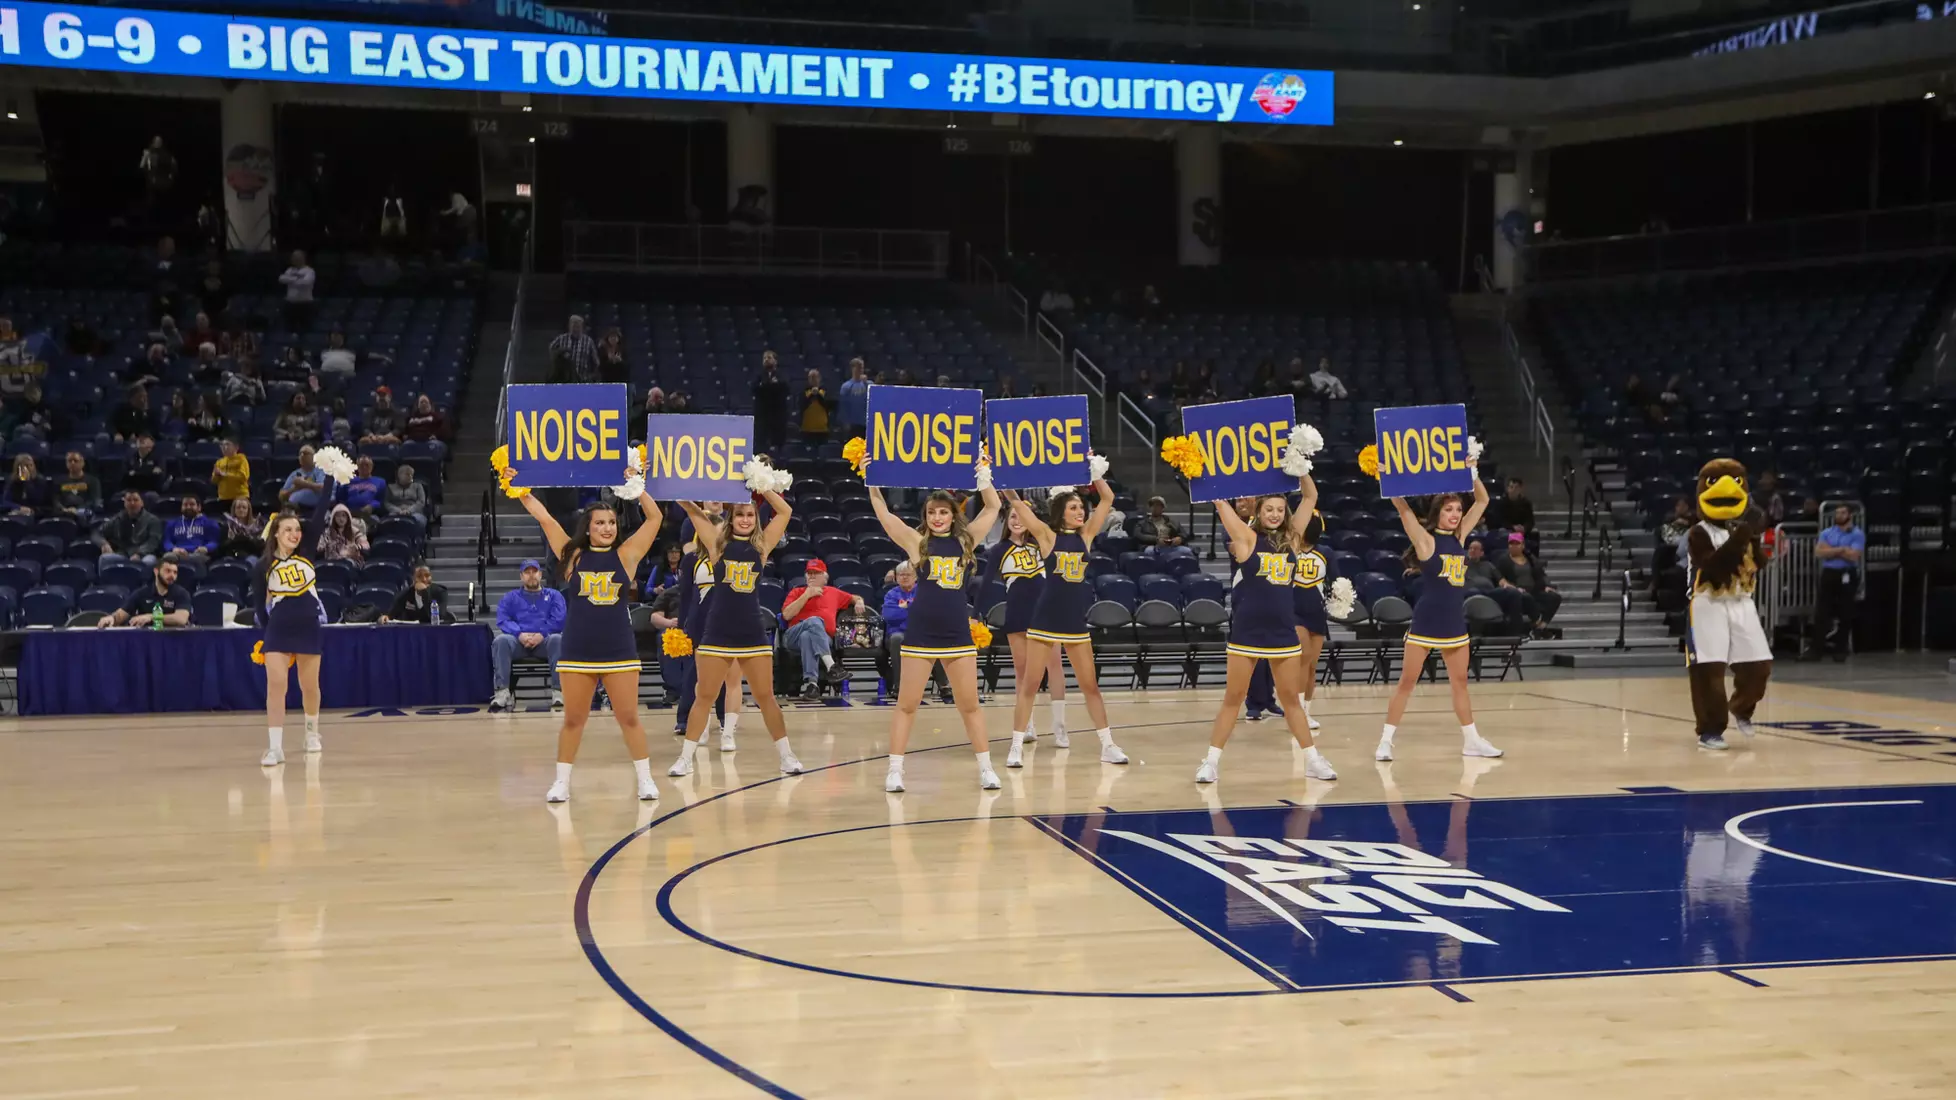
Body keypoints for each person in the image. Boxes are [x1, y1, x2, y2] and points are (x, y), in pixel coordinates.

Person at [516, 485, 666, 803]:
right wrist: (522, 490)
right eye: (599, 523)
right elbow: (545, 519)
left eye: (611, 522)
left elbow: (655, 518)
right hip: (578, 648)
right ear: (588, 526)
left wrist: (637, 489)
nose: (607, 528)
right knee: (573, 719)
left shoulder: (627, 556)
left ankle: (645, 779)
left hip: (618, 649)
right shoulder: (573, 555)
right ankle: (561, 782)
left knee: (628, 717)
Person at [1194, 476, 1336, 784]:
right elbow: (1220, 503)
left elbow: (1310, 496)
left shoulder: (1293, 539)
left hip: (1283, 632)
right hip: (1248, 631)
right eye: (1269, 509)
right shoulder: (1246, 538)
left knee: (1290, 700)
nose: (1275, 514)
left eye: (1280, 510)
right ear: (1258, 511)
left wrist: (1300, 469)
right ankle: (1211, 761)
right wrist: (1207, 477)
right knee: (1233, 697)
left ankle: (1312, 759)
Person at [868, 482, 1004, 792]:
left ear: (953, 515)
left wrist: (983, 477)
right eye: (932, 512)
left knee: (969, 705)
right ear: (925, 516)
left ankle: (986, 768)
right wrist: (872, 480)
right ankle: (895, 770)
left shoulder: (966, 542)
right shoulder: (918, 543)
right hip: (921, 633)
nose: (938, 517)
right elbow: (884, 514)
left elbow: (993, 507)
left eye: (943, 512)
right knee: (907, 705)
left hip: (957, 633)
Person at [667, 488, 805, 781]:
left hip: (752, 630)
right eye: (739, 515)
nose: (744, 519)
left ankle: (786, 755)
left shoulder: (763, 546)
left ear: (756, 518)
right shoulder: (717, 546)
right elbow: (689, 508)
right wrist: (675, 484)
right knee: (703, 696)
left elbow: (785, 512)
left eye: (750, 515)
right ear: (730, 519)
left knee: (766, 696)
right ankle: (685, 758)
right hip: (718, 630)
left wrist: (762, 486)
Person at [1377, 462, 1504, 762]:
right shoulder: (1426, 541)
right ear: (1438, 513)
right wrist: (1388, 476)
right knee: (1407, 682)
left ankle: (1471, 740)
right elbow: (1403, 509)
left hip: (1454, 623)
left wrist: (1472, 471)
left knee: (1460, 682)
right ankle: (1385, 741)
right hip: (1426, 621)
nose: (1456, 515)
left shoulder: (1459, 538)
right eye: (1449, 510)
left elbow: (1483, 500)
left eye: (1458, 510)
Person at [1001, 478, 1129, 773]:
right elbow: (1017, 503)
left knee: (1090, 686)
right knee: (1030, 685)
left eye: (1082, 507)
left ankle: (1108, 744)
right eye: (1074, 508)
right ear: (1061, 511)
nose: (1080, 512)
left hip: (1074, 622)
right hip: (1045, 620)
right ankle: (1016, 745)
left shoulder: (1085, 536)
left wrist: (1095, 472)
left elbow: (1107, 498)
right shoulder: (1047, 536)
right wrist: (1005, 477)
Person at [256, 469, 338, 766]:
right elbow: (258, 605)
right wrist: (267, 634)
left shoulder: (306, 553)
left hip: (307, 625)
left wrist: (330, 475)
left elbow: (322, 507)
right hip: (278, 629)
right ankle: (275, 748)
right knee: (276, 686)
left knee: (309, 686)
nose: (294, 534)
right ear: (276, 533)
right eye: (288, 529)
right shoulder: (263, 566)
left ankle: (311, 733)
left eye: (297, 530)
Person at [989, 504, 1066, 742]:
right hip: (1018, 614)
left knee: (1055, 668)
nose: (1017, 520)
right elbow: (984, 586)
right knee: (1023, 672)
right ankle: (1028, 725)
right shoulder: (999, 549)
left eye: (1022, 515)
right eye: (1012, 516)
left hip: (1047, 613)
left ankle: (1059, 726)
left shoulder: (1042, 544)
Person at [666, 527, 745, 747]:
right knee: (701, 678)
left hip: (733, 619)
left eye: (719, 530)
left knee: (732, 678)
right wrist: (682, 627)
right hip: (701, 622)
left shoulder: (738, 555)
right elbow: (685, 596)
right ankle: (699, 726)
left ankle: (727, 731)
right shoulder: (692, 559)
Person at [780, 559, 864, 699]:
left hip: (823, 639)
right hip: (793, 635)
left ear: (825, 578)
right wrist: (807, 595)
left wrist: (859, 601)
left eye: (816, 573)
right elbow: (787, 615)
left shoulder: (833, 592)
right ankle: (831, 666)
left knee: (807, 637)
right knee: (814, 621)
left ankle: (812, 685)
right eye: (809, 573)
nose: (811, 576)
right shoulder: (796, 592)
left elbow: (854, 597)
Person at [491, 559, 566, 710]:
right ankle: (502, 692)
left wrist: (542, 634)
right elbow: (503, 619)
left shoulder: (554, 596)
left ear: (540, 574)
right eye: (527, 572)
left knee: (558, 639)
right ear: (521, 576)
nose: (531, 575)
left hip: (545, 642)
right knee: (501, 640)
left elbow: (559, 619)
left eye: (534, 572)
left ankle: (558, 691)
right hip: (519, 642)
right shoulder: (510, 597)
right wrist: (519, 634)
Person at [1289, 489, 1333, 733]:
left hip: (1316, 612)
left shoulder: (1326, 553)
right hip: (1294, 611)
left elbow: (1336, 581)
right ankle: (1294, 711)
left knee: (1312, 664)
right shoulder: (1290, 549)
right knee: (1303, 657)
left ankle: (1306, 710)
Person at [877, 561, 949, 702]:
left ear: (915, 576)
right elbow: (889, 616)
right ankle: (899, 686)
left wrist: (906, 606)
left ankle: (944, 686)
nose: (904, 577)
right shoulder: (891, 594)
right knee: (897, 639)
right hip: (898, 633)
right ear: (896, 578)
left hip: (922, 631)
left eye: (908, 574)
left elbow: (928, 613)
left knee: (935, 639)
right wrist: (914, 609)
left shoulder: (924, 592)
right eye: (901, 575)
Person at [1810, 504, 1863, 661]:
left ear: (1850, 515)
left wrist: (1831, 550)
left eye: (1843, 512)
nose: (1839, 515)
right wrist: (1842, 550)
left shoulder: (1857, 534)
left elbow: (1854, 556)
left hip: (1847, 573)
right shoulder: (1827, 532)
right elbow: (1819, 552)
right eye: (1837, 512)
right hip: (1829, 573)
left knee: (1845, 612)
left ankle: (1841, 649)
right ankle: (1816, 650)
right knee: (1821, 612)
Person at [100, 554, 192, 628]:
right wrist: (112, 618)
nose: (172, 576)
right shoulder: (142, 593)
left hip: (173, 640)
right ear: (156, 571)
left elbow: (181, 619)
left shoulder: (182, 593)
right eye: (168, 571)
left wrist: (150, 617)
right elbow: (122, 613)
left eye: (175, 572)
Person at [1496, 532, 1561, 628]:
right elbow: (1500, 578)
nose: (1514, 546)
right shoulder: (1503, 560)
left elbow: (1540, 573)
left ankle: (1542, 625)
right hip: (1517, 592)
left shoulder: (1530, 558)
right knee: (1526, 597)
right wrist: (1514, 588)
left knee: (1555, 597)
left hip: (1534, 590)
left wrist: (1547, 585)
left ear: (1523, 545)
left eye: (1517, 543)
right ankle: (1536, 621)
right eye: (1511, 543)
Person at [98, 490, 163, 568]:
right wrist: (104, 543)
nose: (132, 503)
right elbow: (97, 533)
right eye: (129, 500)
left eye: (135, 500)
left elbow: (153, 542)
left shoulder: (153, 520)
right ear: (125, 503)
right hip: (123, 554)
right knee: (104, 559)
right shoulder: (118, 518)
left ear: (142, 503)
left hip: (145, 555)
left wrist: (139, 553)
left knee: (147, 562)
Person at [163, 495, 220, 561]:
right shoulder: (172, 523)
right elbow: (167, 541)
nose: (188, 507)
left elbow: (214, 541)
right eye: (185, 505)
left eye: (192, 504)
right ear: (181, 507)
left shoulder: (210, 523)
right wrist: (173, 549)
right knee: (168, 557)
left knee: (195, 558)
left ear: (199, 507)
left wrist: (206, 548)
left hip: (199, 554)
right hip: (178, 553)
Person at [752, 351, 788, 454]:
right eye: (764, 358)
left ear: (775, 361)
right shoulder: (758, 376)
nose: (766, 360)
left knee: (777, 446)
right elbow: (754, 389)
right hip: (763, 416)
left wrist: (768, 386)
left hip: (777, 417)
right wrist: (769, 385)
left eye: (769, 357)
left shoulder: (782, 376)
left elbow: (785, 389)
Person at [547, 315, 597, 384]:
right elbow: (551, 350)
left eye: (578, 327)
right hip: (564, 380)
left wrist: (592, 375)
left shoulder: (589, 341)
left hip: (583, 379)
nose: (576, 329)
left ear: (582, 327)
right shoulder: (561, 338)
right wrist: (561, 352)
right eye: (574, 326)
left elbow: (595, 361)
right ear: (569, 326)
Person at [54, 452, 102, 522]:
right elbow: (56, 500)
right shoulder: (59, 481)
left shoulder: (93, 481)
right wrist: (64, 509)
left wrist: (78, 510)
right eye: (69, 461)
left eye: (75, 461)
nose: (72, 463)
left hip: (85, 513)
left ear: (82, 463)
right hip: (64, 513)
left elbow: (95, 500)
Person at [278, 250, 316, 334]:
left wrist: (291, 280)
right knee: (289, 329)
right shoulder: (289, 270)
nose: (294, 259)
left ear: (303, 259)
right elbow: (281, 279)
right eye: (293, 258)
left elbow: (306, 282)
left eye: (297, 257)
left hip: (305, 304)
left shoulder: (309, 271)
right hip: (291, 304)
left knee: (306, 329)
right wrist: (297, 279)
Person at [340, 456, 387, 523]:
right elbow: (341, 499)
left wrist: (372, 506)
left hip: (370, 515)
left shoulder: (380, 482)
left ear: (372, 466)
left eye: (367, 465)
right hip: (350, 514)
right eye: (361, 465)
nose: (364, 467)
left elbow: (381, 500)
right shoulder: (347, 481)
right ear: (357, 467)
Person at [385, 463, 428, 528]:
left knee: (419, 521)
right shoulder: (390, 487)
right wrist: (398, 510)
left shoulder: (418, 486)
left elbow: (421, 502)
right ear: (399, 475)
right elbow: (386, 502)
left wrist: (409, 511)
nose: (410, 476)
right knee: (388, 522)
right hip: (396, 512)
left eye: (411, 474)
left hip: (414, 513)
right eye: (407, 474)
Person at [837, 358, 869, 440]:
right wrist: (845, 422)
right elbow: (843, 405)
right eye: (858, 367)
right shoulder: (846, 386)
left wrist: (866, 383)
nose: (860, 370)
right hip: (853, 424)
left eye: (861, 367)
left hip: (867, 423)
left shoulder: (868, 384)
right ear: (852, 368)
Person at [798, 369, 831, 445]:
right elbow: (802, 405)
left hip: (822, 430)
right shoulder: (804, 392)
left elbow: (828, 405)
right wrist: (811, 395)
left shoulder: (825, 391)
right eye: (811, 377)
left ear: (819, 378)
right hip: (807, 429)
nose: (813, 380)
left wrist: (818, 395)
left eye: (815, 377)